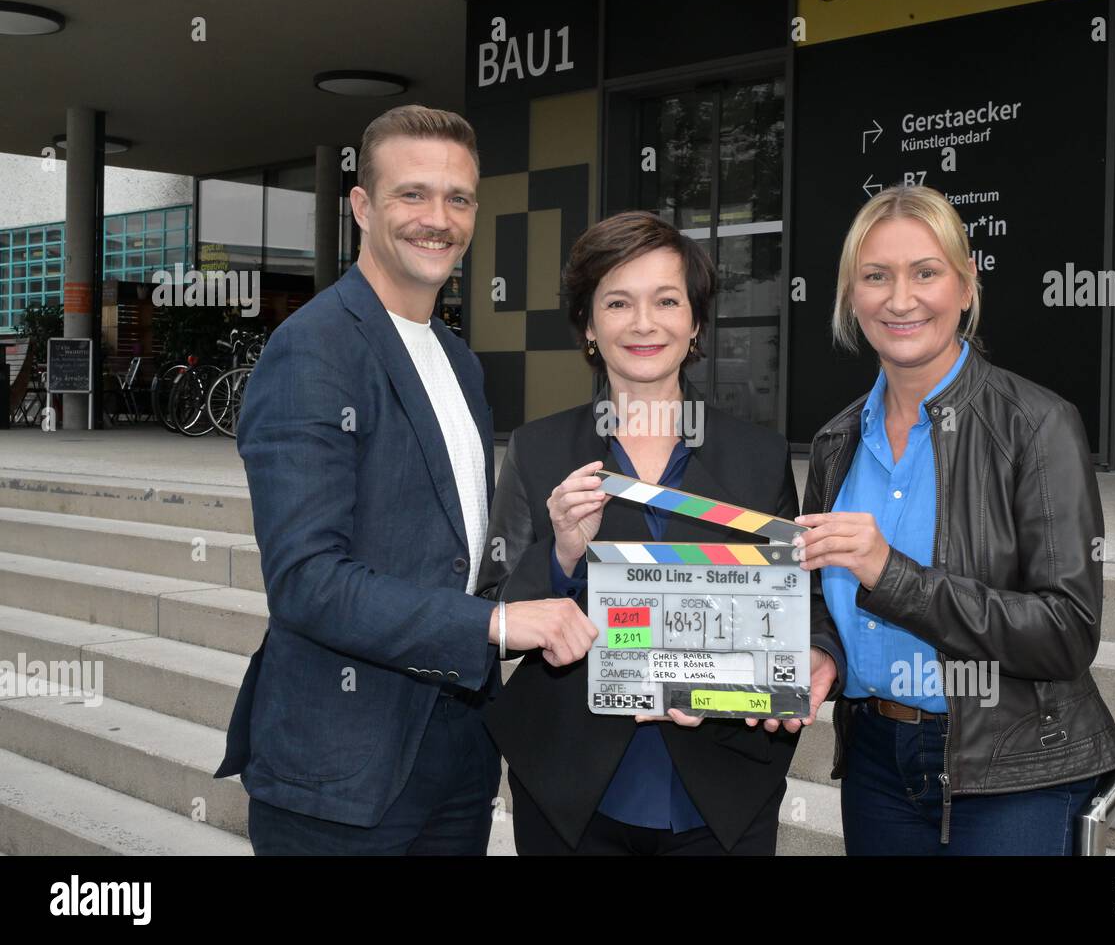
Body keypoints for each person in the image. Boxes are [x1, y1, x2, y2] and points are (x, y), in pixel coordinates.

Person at [214, 105, 596, 855]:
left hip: (457, 757)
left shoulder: (457, 360)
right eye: (412, 194)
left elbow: (460, 565)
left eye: (458, 198)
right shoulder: (312, 350)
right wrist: (493, 627)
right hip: (342, 771)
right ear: (362, 206)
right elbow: (307, 580)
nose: (438, 219)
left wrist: (558, 561)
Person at [476, 211, 846, 855]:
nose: (644, 323)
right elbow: (490, 617)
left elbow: (804, 599)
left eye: (666, 300)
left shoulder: (757, 456)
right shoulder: (538, 450)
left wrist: (817, 653)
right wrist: (561, 553)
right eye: (618, 302)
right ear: (589, 325)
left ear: (695, 322)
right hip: (572, 792)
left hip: (722, 786)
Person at [796, 184, 1115, 855]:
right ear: (850, 297)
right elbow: (817, 596)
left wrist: (892, 575)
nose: (900, 299)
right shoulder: (837, 443)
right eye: (875, 277)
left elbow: (1066, 631)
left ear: (967, 285)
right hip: (876, 762)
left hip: (1014, 769)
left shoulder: (1037, 425)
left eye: (926, 272)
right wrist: (823, 650)